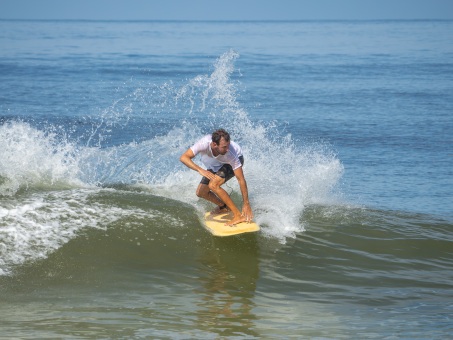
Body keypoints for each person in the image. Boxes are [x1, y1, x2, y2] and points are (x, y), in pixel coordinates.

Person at [179, 129, 253, 226]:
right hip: (216, 164)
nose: (227, 149)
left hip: (234, 160)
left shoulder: (230, 153)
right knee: (201, 192)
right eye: (224, 147)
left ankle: (238, 215)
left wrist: (246, 204)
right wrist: (200, 169)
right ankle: (223, 206)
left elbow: (241, 179)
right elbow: (184, 157)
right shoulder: (204, 143)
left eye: (228, 145)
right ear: (214, 144)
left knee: (213, 185)